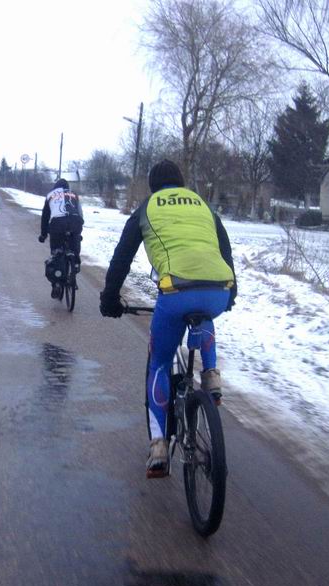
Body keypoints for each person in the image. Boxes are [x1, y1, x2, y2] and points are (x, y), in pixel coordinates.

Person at [98, 160, 236, 478]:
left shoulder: (149, 207)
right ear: (181, 181)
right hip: (218, 289)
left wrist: (109, 299)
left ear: (153, 186)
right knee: (204, 307)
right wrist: (231, 294)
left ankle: (159, 446)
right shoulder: (202, 204)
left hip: (176, 293)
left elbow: (122, 255)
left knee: (160, 361)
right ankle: (211, 375)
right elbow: (224, 249)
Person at [37, 179, 84, 299]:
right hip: (75, 222)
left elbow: (45, 217)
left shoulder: (51, 195)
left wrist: (43, 234)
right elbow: (80, 214)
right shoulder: (74, 195)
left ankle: (56, 283)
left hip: (57, 223)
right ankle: (75, 266)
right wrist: (78, 234)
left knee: (56, 253)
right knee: (74, 249)